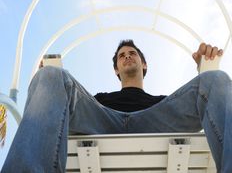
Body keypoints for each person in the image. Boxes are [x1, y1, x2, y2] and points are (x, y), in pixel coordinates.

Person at [1, 40, 231, 173]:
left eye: (133, 53)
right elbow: (66, 109)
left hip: (154, 119)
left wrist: (205, 67)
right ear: (116, 69)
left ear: (144, 64)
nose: (127, 56)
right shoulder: (99, 98)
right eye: (122, 55)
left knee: (216, 79)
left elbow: (199, 97)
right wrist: (51, 83)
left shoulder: (163, 100)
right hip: (104, 120)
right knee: (51, 75)